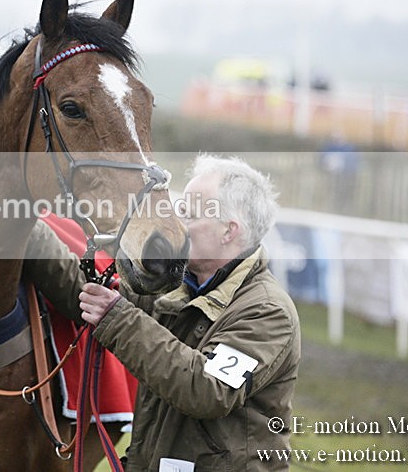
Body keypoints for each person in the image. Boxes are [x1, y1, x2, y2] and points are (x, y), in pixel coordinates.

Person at [37, 154, 300, 470]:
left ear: (229, 231)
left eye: (188, 214)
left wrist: (117, 317)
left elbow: (207, 389)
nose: (176, 223)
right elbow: (92, 298)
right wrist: (30, 234)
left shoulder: (268, 311)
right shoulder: (177, 287)